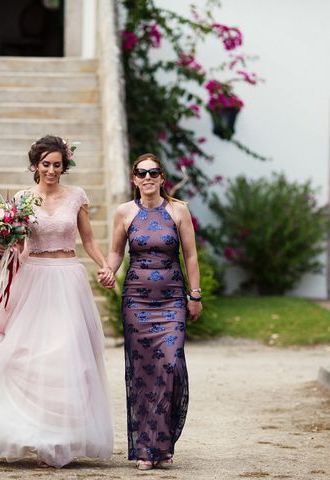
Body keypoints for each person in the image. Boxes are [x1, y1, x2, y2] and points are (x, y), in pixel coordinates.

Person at [0, 135, 115, 468]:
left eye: (57, 165)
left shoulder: (77, 196)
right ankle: (33, 432)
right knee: (29, 354)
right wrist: (7, 246)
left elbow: (88, 239)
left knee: (66, 353)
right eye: (46, 164)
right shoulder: (22, 199)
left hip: (67, 278)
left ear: (65, 166)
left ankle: (60, 439)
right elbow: (17, 242)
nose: (51, 170)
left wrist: (105, 264)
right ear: (36, 165)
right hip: (33, 279)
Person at [103, 153, 202, 471]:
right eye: (141, 173)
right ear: (134, 179)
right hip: (137, 304)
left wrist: (194, 295)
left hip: (172, 301)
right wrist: (108, 271)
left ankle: (163, 441)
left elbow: (190, 255)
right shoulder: (124, 212)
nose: (147, 177)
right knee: (143, 375)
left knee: (171, 366)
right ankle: (148, 449)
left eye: (153, 172)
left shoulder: (178, 210)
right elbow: (117, 251)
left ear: (162, 178)